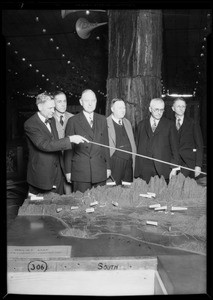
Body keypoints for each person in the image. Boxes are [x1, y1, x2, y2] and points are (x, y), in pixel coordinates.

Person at [24, 92, 88, 195]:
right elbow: (45, 145)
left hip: (58, 175)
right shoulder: (30, 124)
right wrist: (69, 139)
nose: (53, 111)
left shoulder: (51, 120)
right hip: (41, 177)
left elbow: (56, 144)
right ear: (40, 106)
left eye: (54, 107)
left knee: (58, 205)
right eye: (50, 108)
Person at [64, 89, 111, 193]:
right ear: (81, 102)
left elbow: (106, 145)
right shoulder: (73, 121)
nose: (90, 104)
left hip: (99, 169)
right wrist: (68, 171)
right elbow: (68, 149)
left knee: (100, 204)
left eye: (93, 100)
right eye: (87, 101)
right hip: (81, 172)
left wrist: (108, 167)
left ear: (96, 102)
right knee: (81, 205)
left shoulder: (102, 119)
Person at [135, 98, 179, 184]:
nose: (159, 112)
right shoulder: (141, 125)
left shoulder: (169, 125)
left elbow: (175, 149)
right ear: (150, 109)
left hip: (162, 169)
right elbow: (136, 145)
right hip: (143, 169)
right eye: (156, 109)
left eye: (162, 110)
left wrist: (174, 168)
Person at [171, 97, 203, 178]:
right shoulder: (168, 123)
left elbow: (199, 145)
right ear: (173, 108)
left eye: (183, 106)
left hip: (188, 162)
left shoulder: (193, 123)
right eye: (178, 106)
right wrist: (173, 166)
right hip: (173, 162)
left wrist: (198, 165)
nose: (181, 109)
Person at [107, 98, 136, 185]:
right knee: (114, 190)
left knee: (128, 189)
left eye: (124, 108)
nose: (123, 110)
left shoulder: (127, 122)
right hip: (115, 162)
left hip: (129, 162)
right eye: (119, 108)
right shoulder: (105, 123)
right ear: (112, 109)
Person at [53, 91, 74, 194]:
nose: (63, 104)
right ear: (53, 103)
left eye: (64, 101)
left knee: (69, 193)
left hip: (69, 160)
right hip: (55, 160)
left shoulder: (73, 118)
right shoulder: (49, 118)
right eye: (59, 101)